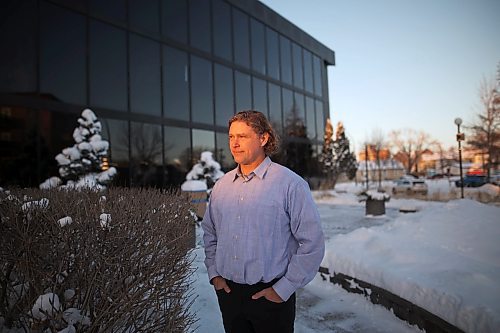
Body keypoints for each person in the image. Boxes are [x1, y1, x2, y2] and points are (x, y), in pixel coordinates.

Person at [202, 110, 325, 333]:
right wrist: (215, 275)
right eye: (231, 137)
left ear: (263, 138)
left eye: (243, 136)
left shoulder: (290, 184)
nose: (235, 143)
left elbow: (312, 244)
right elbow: (210, 233)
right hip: (229, 295)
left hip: (271, 299)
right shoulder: (221, 186)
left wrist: (283, 289)